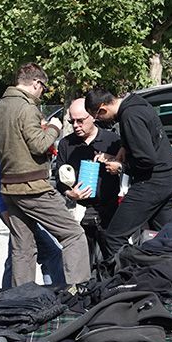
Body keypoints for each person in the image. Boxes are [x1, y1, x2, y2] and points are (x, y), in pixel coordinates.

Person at [0, 62, 90, 286]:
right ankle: (81, 290)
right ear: (36, 83)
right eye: (43, 88)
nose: (42, 93)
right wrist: (53, 127)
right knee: (73, 234)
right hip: (33, 188)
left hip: (9, 190)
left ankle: (21, 300)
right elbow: (38, 145)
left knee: (23, 248)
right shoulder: (27, 108)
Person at [85, 87, 172, 254]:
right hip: (169, 179)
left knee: (113, 237)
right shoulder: (139, 105)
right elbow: (148, 138)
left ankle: (126, 278)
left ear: (102, 108)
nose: (98, 120)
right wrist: (125, 147)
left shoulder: (130, 117)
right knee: (169, 239)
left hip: (151, 184)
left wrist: (121, 167)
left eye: (97, 116)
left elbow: (147, 159)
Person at [54, 98, 121, 270]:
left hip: (110, 208)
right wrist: (70, 194)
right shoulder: (66, 144)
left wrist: (116, 164)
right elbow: (59, 177)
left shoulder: (112, 140)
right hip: (80, 210)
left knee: (113, 257)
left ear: (92, 116)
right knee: (83, 260)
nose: (76, 125)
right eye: (72, 121)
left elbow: (128, 169)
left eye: (80, 121)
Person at [0, 155, 65, 287]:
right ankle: (55, 292)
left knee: (20, 254)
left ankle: (12, 295)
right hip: (16, 209)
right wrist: (3, 210)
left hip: (34, 208)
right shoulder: (3, 144)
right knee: (42, 254)